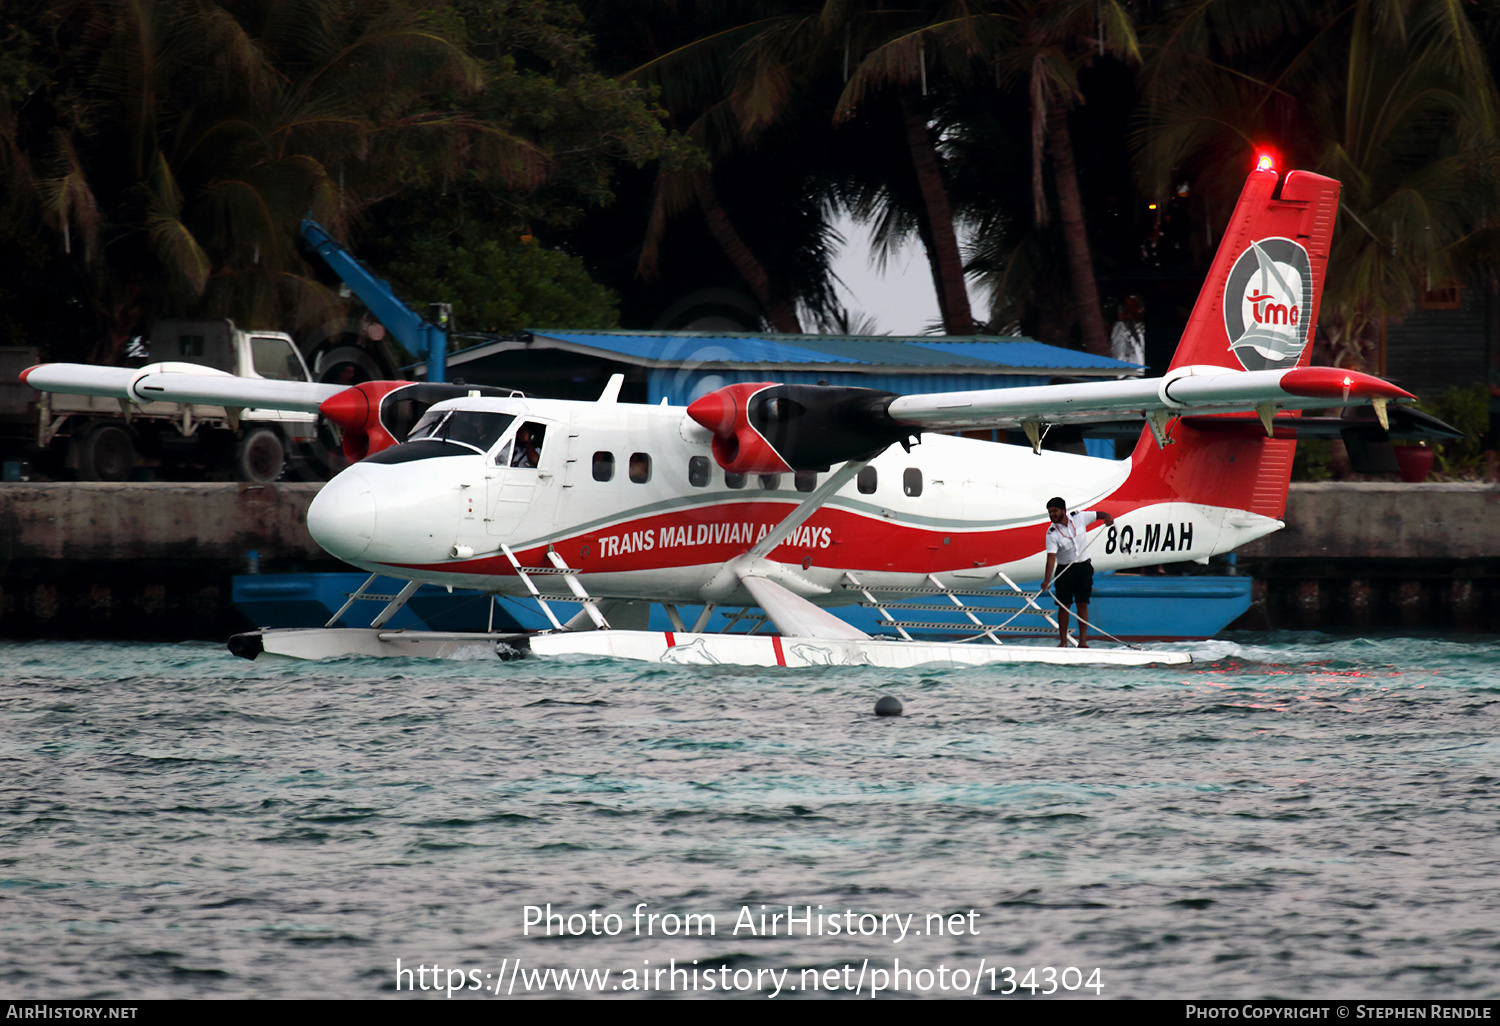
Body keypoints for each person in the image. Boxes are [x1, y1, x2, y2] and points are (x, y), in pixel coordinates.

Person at [1040, 497, 1114, 648]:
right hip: (1065, 571)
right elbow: (1051, 558)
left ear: (1064, 510)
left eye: (1055, 511)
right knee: (1064, 605)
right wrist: (1047, 579)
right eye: (1050, 512)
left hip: (1084, 568)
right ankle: (1063, 642)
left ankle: (1083, 641)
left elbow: (1100, 514)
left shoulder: (1079, 517)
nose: (1052, 514)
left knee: (1082, 603)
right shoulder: (1052, 533)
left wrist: (1107, 518)